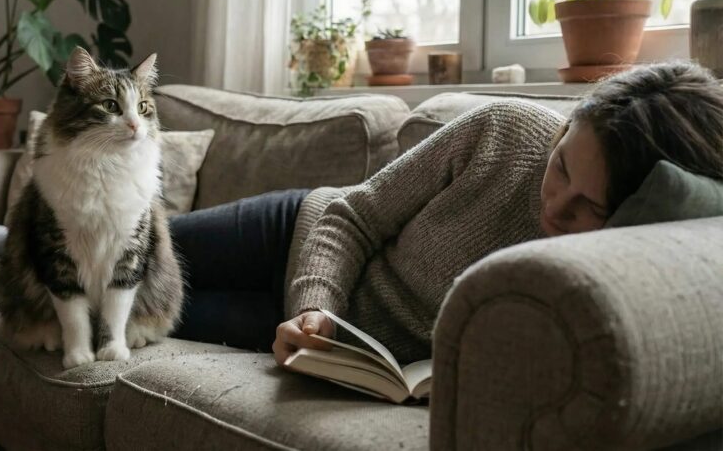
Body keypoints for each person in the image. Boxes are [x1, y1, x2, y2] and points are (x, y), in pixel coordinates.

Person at [268, 61, 723, 366]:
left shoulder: (622, 269)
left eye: (590, 207)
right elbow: (353, 217)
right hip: (295, 236)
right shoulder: (504, 130)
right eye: (560, 166)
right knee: (190, 268)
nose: (556, 207)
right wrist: (314, 307)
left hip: (333, 346)